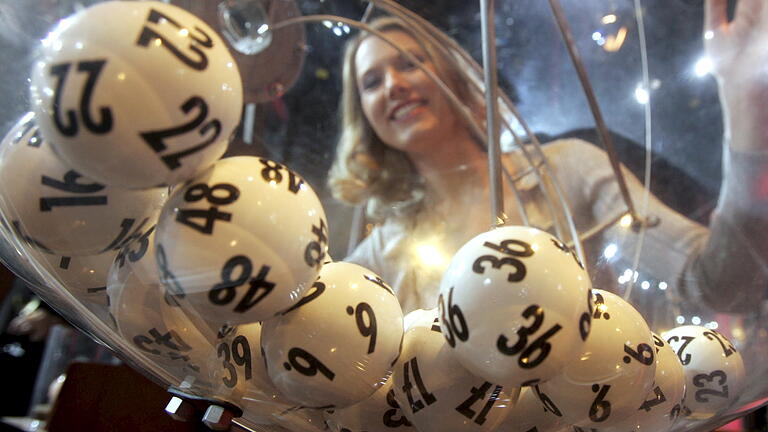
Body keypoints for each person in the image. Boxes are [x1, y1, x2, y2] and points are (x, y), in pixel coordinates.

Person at [328, 0, 768, 327]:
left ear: (456, 77)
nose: (393, 85)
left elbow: (718, 284)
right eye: (371, 82)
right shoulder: (379, 257)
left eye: (410, 63)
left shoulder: (565, 171)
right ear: (364, 116)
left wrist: (746, 99)